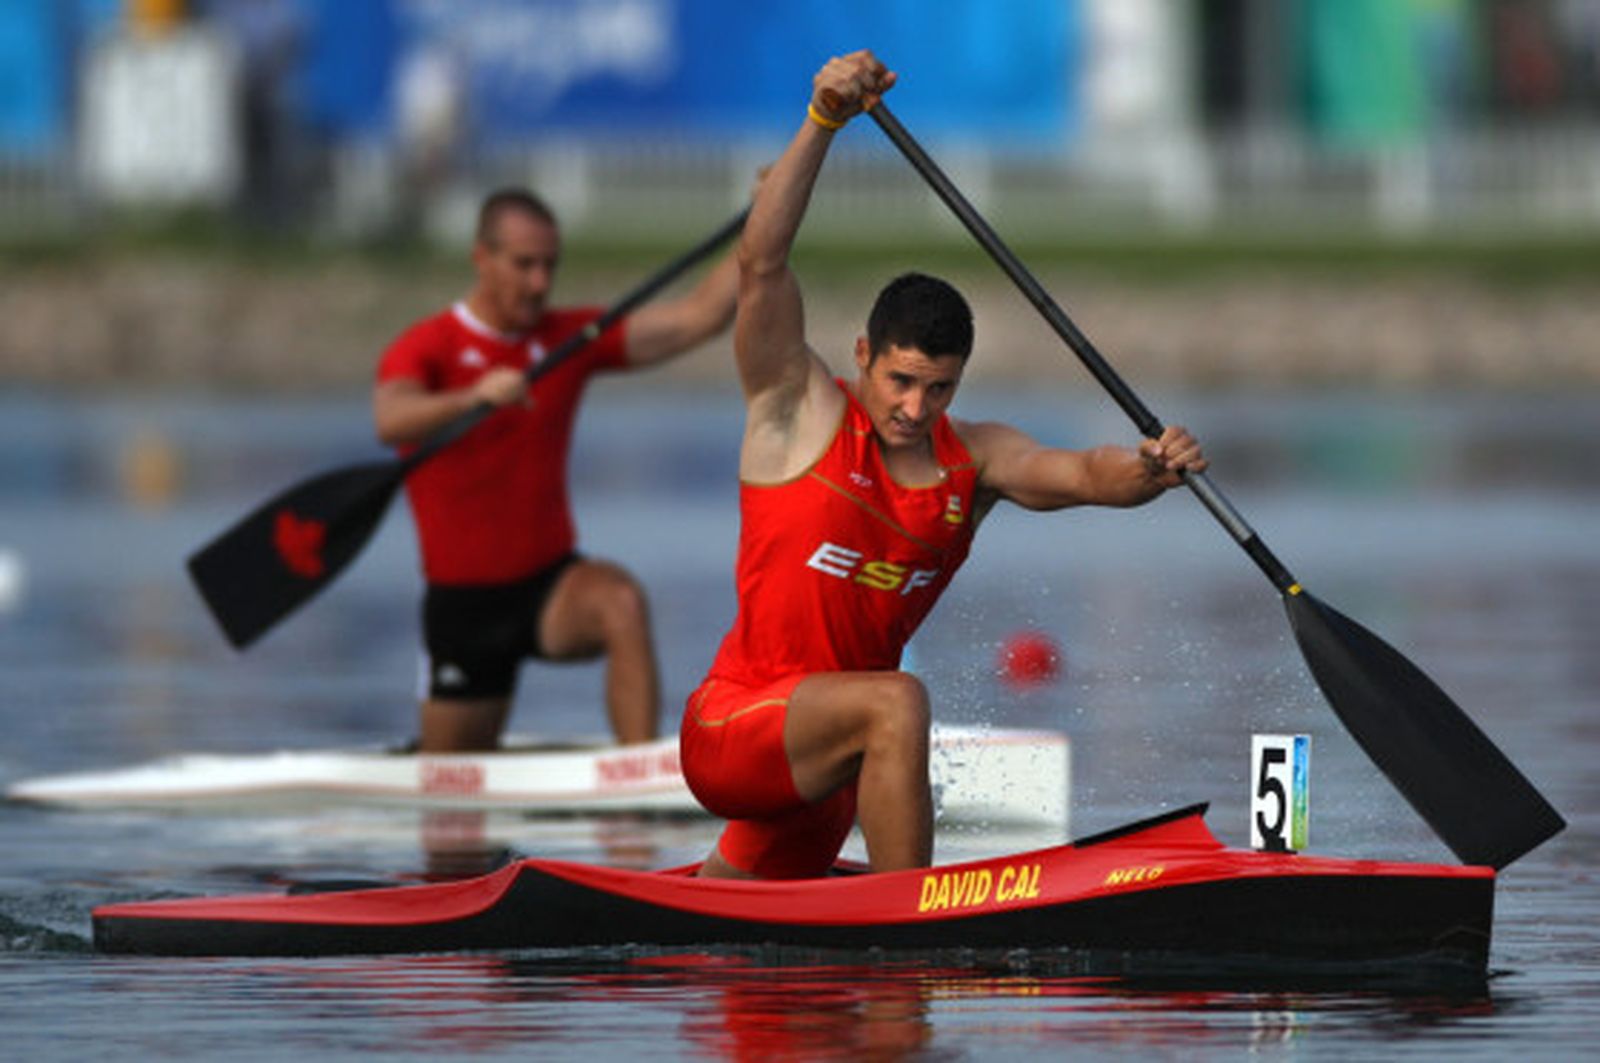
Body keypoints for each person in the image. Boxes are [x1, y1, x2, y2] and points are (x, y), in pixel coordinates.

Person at [680, 50, 1208, 880]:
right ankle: (914, 917)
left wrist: (1153, 467)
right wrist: (821, 122)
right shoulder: (799, 410)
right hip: (734, 730)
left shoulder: (978, 459)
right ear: (862, 356)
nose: (915, 410)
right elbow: (761, 267)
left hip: (832, 769)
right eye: (899, 381)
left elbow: (1084, 475)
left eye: (939, 389)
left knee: (733, 935)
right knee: (898, 701)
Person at [375, 187, 741, 752]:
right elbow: (391, 419)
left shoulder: (566, 340)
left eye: (549, 265)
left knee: (620, 602)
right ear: (482, 257)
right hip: (461, 608)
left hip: (550, 590)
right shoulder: (428, 346)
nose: (541, 283)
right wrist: (473, 397)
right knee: (451, 805)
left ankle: (636, 776)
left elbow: (700, 318)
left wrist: (768, 215)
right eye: (524, 265)